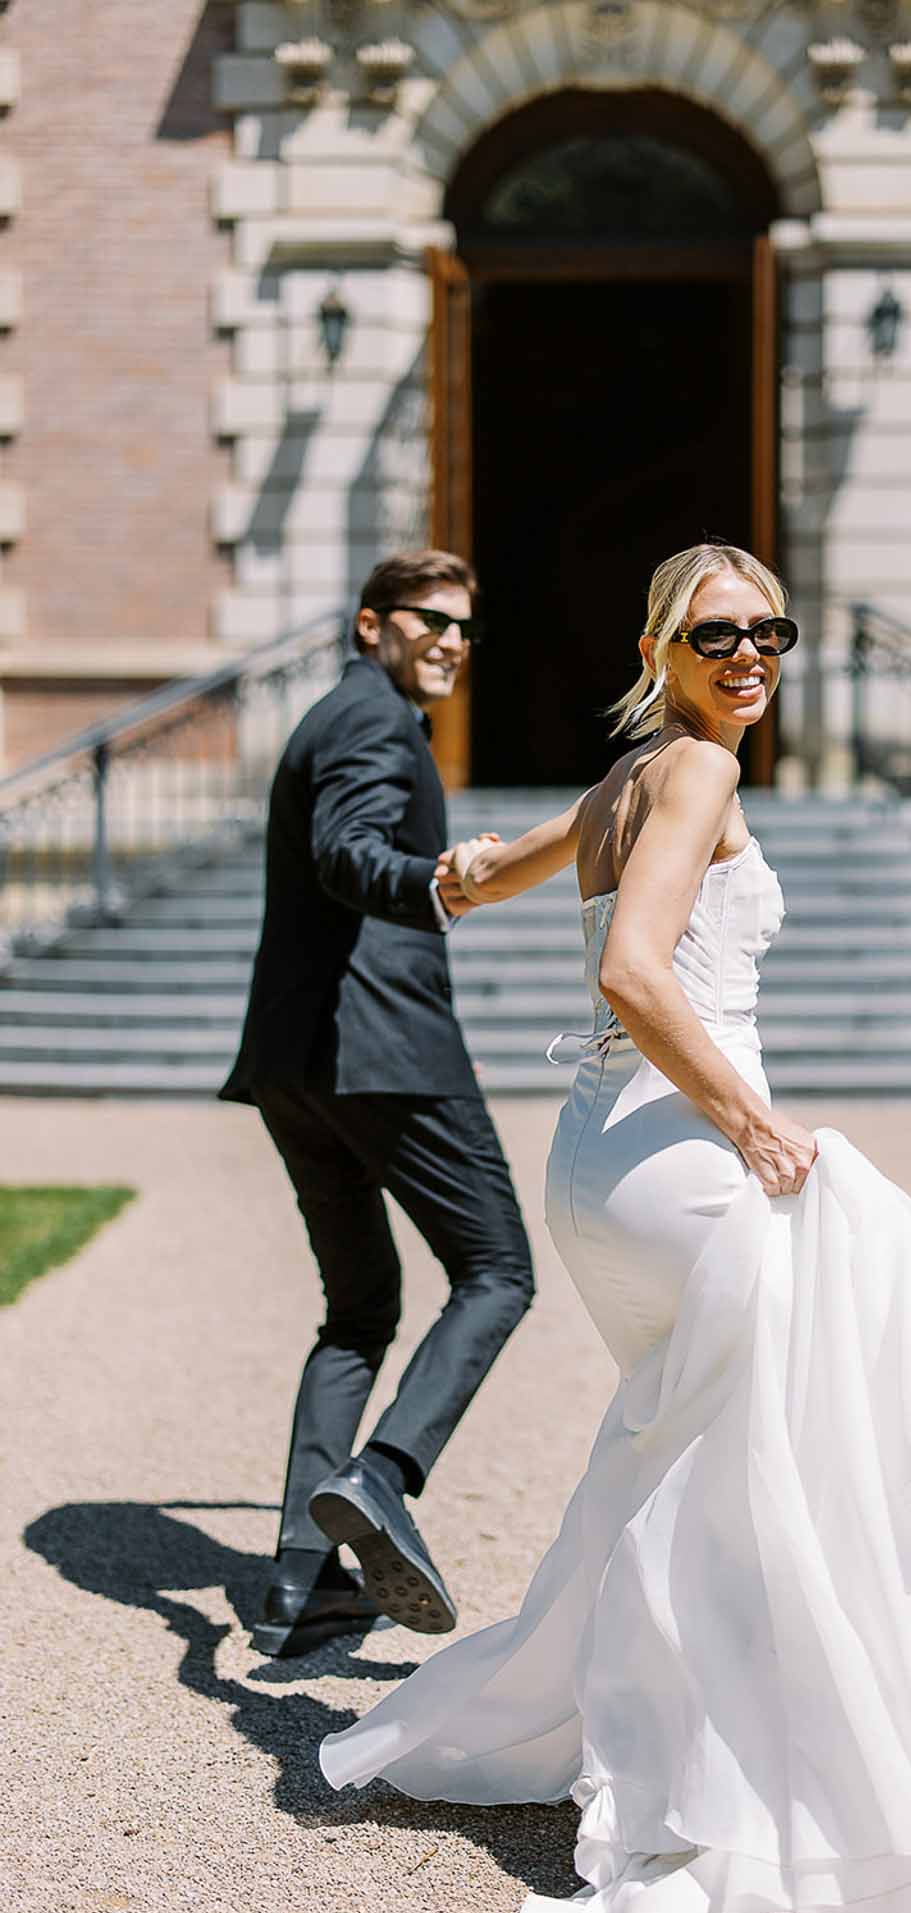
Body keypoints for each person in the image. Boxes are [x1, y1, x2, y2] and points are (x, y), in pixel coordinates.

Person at [318, 542, 911, 1913]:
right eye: (718, 636)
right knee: (757, 1474)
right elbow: (635, 972)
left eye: (772, 630)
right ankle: (722, 1796)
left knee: (691, 1460)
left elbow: (482, 878)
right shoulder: (695, 771)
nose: (750, 655)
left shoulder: (624, 782)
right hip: (683, 1166)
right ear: (664, 646)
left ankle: (685, 1746)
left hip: (601, 1171)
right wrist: (758, 1125)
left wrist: (440, 880)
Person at [221, 549, 535, 1660]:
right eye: (428, 620)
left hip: (297, 1064)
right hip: (378, 1054)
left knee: (358, 1312)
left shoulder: (338, 714)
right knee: (499, 1270)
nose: (450, 639)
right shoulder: (371, 722)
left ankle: (298, 1586)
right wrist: (440, 877)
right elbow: (349, 855)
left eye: (464, 625)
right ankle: (383, 1476)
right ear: (369, 625)